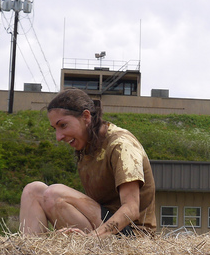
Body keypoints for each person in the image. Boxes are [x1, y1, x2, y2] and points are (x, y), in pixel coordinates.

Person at [19, 88, 156, 236]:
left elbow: (131, 209)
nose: (58, 137)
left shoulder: (121, 146)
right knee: (32, 191)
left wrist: (92, 238)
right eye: (55, 129)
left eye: (63, 125)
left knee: (54, 195)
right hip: (103, 226)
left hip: (133, 235)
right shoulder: (87, 147)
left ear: (86, 117)